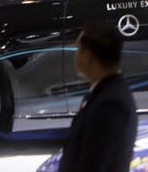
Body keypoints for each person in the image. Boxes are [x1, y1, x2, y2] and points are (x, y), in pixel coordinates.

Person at [58, 20, 136, 172]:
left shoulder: (109, 106)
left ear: (87, 56)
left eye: (78, 49)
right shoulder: (105, 92)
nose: (75, 55)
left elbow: (92, 164)